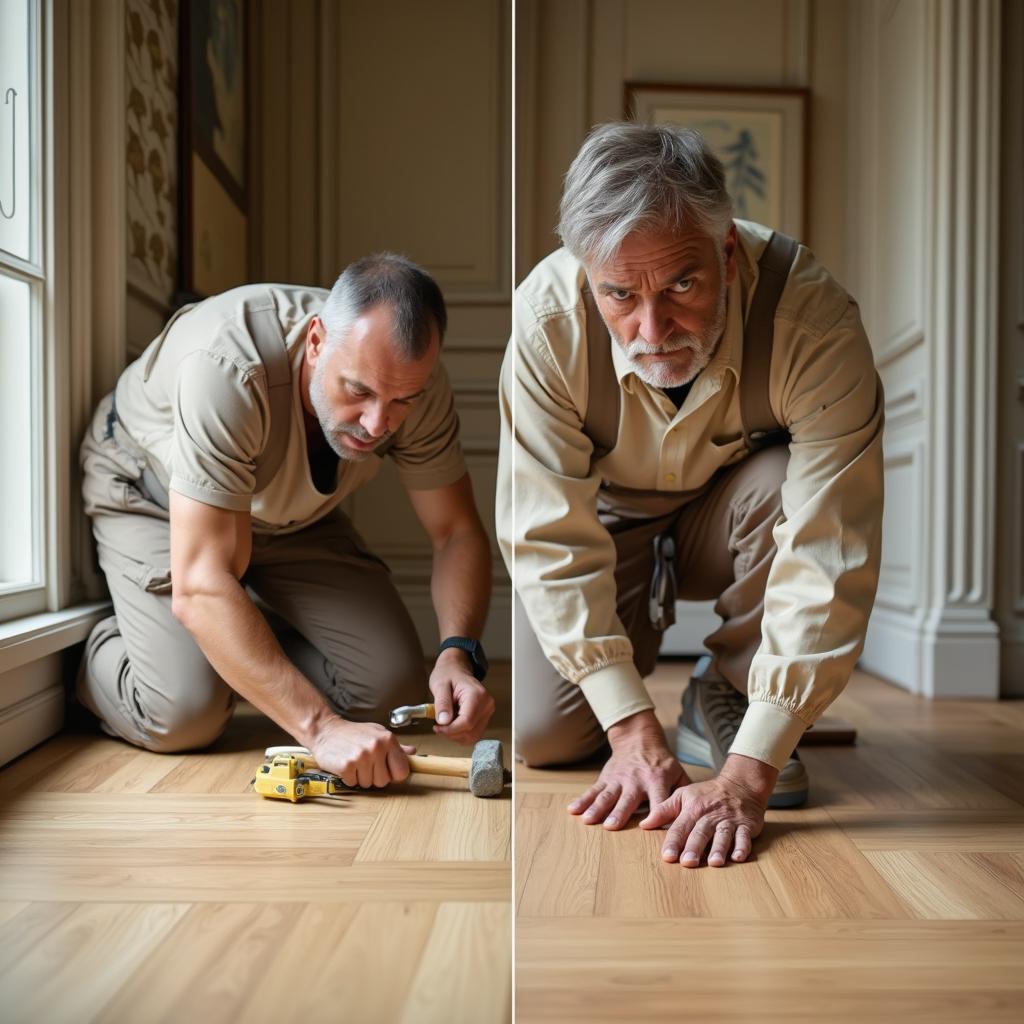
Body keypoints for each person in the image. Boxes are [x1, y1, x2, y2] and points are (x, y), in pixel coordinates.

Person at [498, 123, 883, 867]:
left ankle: (730, 689)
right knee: (546, 736)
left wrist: (751, 770)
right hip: (605, 527)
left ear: (728, 254)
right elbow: (544, 530)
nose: (653, 329)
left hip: (735, 517)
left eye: (682, 284)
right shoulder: (546, 322)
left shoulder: (813, 318)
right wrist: (629, 730)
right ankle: (645, 700)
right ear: (587, 275)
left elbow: (830, 540)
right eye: (619, 294)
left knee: (778, 488)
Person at [78, 253, 495, 788]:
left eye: (401, 402)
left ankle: (234, 643)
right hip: (152, 493)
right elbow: (202, 583)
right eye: (359, 391)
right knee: (183, 712)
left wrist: (458, 654)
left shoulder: (414, 382)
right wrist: (320, 729)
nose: (377, 424)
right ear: (317, 342)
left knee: (390, 691)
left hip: (286, 514)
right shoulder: (225, 364)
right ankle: (120, 656)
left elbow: (455, 531)